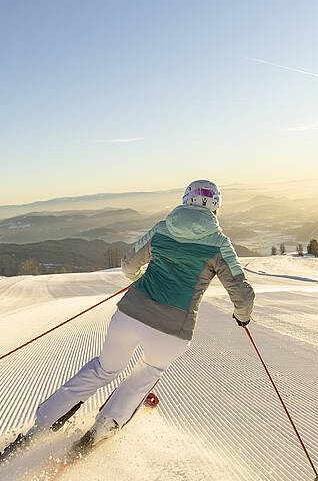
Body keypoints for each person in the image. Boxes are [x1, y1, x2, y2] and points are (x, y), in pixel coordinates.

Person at [26, 180, 254, 452]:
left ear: (186, 199)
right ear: (216, 205)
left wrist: (135, 278)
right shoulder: (220, 244)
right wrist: (242, 317)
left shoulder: (162, 229)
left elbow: (129, 262)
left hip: (130, 314)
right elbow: (242, 293)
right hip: (173, 328)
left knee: (103, 369)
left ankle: (43, 423)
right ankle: (103, 428)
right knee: (145, 375)